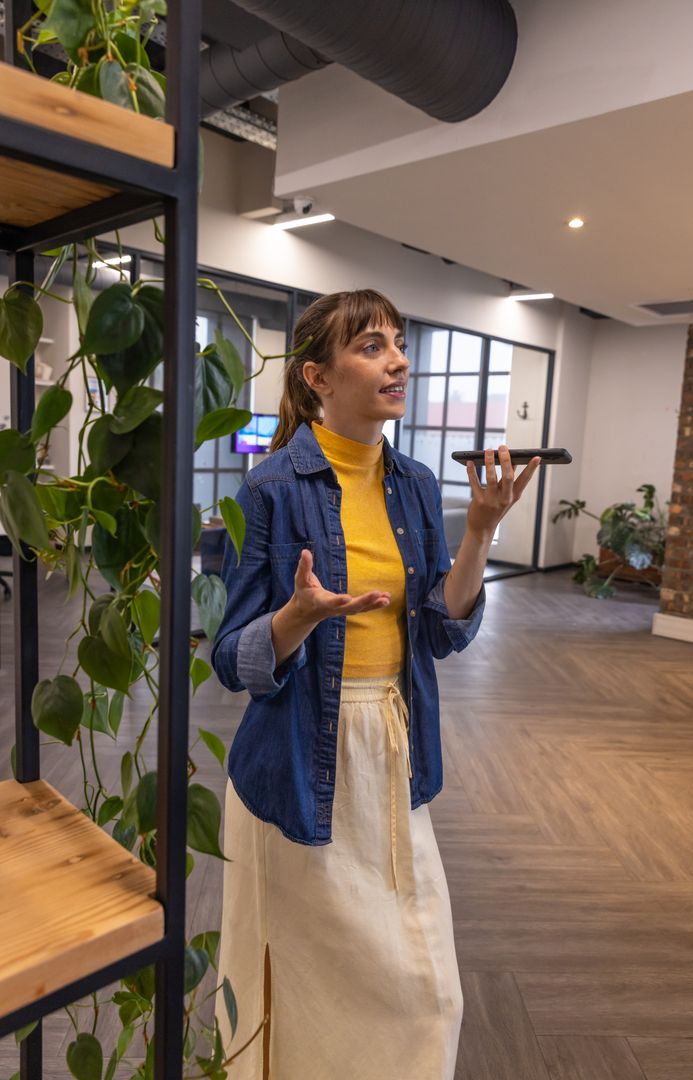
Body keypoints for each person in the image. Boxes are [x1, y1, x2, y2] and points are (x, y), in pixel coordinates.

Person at [210, 288, 540, 1080]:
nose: (397, 360)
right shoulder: (270, 490)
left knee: (425, 989)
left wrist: (482, 534)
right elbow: (233, 659)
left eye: (398, 342)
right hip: (293, 760)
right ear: (317, 377)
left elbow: (439, 630)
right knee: (298, 976)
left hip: (389, 752)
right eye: (370, 346)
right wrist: (297, 617)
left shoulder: (417, 485)